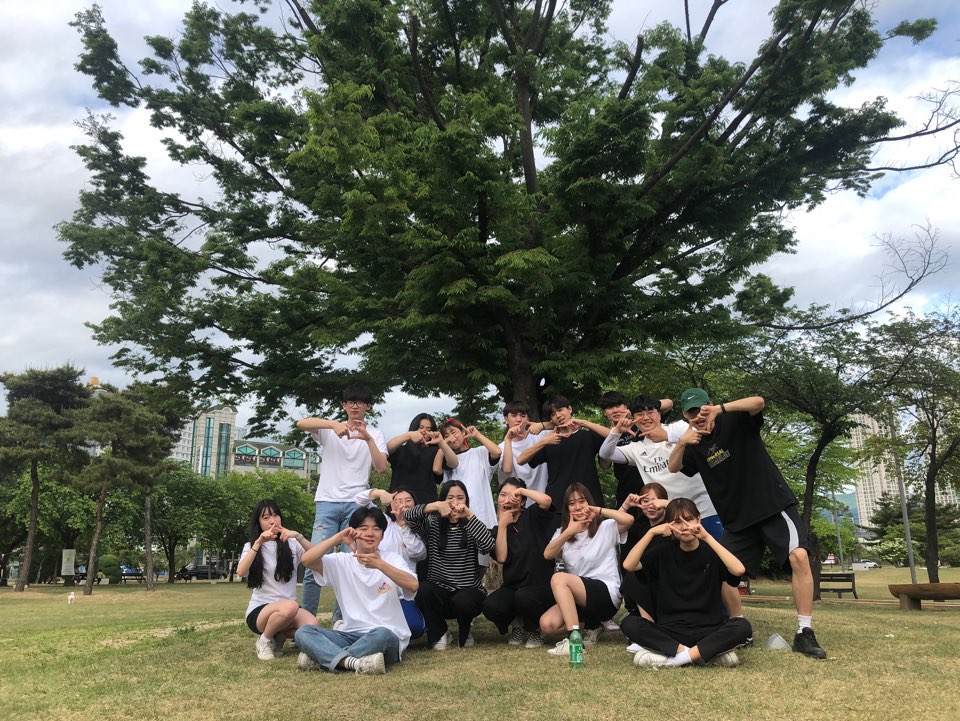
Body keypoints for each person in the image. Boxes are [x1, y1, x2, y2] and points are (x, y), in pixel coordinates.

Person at [667, 390, 826, 659]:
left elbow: (759, 402)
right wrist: (681, 443)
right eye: (692, 412)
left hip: (771, 506)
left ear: (709, 405)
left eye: (702, 409)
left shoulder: (733, 419)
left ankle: (804, 631)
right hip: (737, 520)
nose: (698, 415)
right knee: (724, 574)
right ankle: (739, 628)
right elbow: (673, 467)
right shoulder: (693, 444)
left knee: (799, 556)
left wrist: (720, 409)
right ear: (685, 416)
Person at [621, 498, 753, 668]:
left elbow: (738, 570)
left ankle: (676, 659)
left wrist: (707, 537)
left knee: (742, 626)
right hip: (670, 631)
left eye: (689, 519)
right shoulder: (661, 552)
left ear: (698, 519)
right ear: (669, 526)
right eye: (677, 522)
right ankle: (703, 654)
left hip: (708, 629)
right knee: (630, 624)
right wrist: (651, 533)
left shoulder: (713, 552)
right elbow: (629, 565)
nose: (684, 527)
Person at [296, 383, 389, 617]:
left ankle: (343, 620)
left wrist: (368, 439)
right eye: (350, 402)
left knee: (351, 566)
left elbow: (381, 467)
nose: (355, 406)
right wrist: (332, 424)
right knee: (314, 562)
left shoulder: (376, 433)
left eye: (360, 402)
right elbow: (301, 423)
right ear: (344, 405)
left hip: (357, 505)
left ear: (368, 406)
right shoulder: (330, 430)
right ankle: (306, 620)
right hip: (327, 502)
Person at [295, 506, 419, 675]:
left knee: (382, 634)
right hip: (350, 635)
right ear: (353, 532)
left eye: (376, 529)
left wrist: (380, 565)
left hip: (387, 635)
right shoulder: (341, 561)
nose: (370, 533)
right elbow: (306, 560)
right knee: (304, 632)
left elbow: (413, 585)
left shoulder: (392, 559)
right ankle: (352, 663)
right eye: (363, 528)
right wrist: (337, 538)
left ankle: (324, 659)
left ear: (382, 535)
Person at [540, 483, 634, 656]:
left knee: (558, 578)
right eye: (571, 503)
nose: (577, 506)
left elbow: (628, 520)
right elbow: (548, 554)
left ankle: (574, 640)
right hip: (579, 595)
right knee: (547, 625)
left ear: (589, 502)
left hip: (606, 594)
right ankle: (592, 625)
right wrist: (569, 531)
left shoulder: (605, 527)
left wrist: (598, 511)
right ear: (567, 509)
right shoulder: (563, 532)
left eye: (582, 501)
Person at [403, 480, 496, 649]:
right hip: (440, 591)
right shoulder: (432, 523)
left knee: (464, 600)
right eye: (450, 498)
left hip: (468, 591)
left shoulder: (472, 524)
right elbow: (408, 516)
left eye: (460, 498)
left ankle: (465, 631)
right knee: (423, 590)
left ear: (466, 501)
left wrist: (469, 515)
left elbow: (489, 545)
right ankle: (440, 632)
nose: (455, 502)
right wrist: (435, 506)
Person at [236, 499, 317, 660]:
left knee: (313, 626)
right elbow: (241, 571)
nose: (272, 521)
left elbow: (316, 556)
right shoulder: (251, 546)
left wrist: (299, 536)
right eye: (266, 518)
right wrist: (258, 543)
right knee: (290, 606)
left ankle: (278, 635)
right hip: (260, 611)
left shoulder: (292, 543)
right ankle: (264, 640)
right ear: (258, 523)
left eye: (275, 515)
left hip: (289, 610)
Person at [482, 478, 556, 649]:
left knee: (524, 597)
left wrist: (522, 491)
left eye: (513, 495)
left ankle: (537, 630)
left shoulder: (533, 515)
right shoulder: (497, 530)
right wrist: (502, 525)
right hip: (513, 587)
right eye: (503, 495)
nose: (507, 499)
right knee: (491, 605)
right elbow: (501, 558)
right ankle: (518, 625)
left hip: (540, 587)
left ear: (522, 501)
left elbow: (546, 501)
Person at [516, 395, 612, 511]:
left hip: (590, 500)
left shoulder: (589, 436)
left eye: (560, 410)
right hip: (558, 504)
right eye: (553, 414)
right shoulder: (550, 440)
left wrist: (583, 422)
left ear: (569, 409)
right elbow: (520, 460)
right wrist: (544, 441)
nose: (558, 415)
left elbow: (614, 436)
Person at [355, 487, 427, 638]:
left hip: (402, 593)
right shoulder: (383, 523)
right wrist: (380, 493)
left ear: (415, 505)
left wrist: (404, 525)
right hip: (376, 588)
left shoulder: (419, 527)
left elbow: (418, 553)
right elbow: (359, 500)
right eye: (398, 501)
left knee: (414, 628)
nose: (403, 504)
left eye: (408, 501)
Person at [435, 418, 501, 529]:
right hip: (457, 519)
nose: (451, 437)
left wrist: (477, 435)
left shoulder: (479, 452)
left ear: (463, 432)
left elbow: (497, 452)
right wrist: (442, 443)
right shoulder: (447, 462)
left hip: (483, 517)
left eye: (454, 432)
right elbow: (436, 470)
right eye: (446, 436)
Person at [497, 400, 552, 501]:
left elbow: (564, 425)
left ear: (527, 419)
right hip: (517, 502)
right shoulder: (502, 447)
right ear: (506, 419)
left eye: (523, 416)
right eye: (514, 415)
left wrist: (541, 425)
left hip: (544, 498)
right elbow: (507, 469)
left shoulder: (540, 436)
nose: (519, 419)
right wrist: (508, 439)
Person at [386, 414, 443, 503]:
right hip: (400, 502)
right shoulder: (401, 450)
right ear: (414, 428)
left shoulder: (436, 451)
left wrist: (442, 443)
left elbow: (451, 465)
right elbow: (387, 449)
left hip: (426, 503)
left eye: (429, 429)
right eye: (421, 427)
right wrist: (409, 435)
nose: (424, 431)